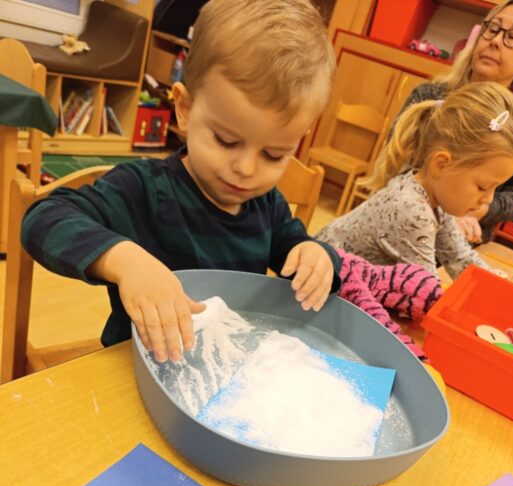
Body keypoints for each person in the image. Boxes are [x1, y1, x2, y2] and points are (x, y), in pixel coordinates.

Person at [21, 0, 341, 364]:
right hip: (139, 366)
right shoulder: (144, 189)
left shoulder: (267, 205)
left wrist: (319, 258)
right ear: (185, 109)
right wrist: (125, 262)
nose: (246, 168)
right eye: (226, 141)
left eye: (274, 154)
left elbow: (300, 249)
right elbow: (43, 219)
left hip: (225, 365)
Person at [315, 82, 513, 281]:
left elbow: (461, 260)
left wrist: (496, 284)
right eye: (483, 187)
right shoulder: (411, 210)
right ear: (442, 165)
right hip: (315, 285)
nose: (488, 200)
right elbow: (425, 292)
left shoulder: (435, 201)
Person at [392, 0, 513, 244]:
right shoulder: (428, 97)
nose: (495, 41)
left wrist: (482, 208)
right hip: (405, 230)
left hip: (468, 241)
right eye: (493, 28)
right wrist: (445, 214)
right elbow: (397, 166)